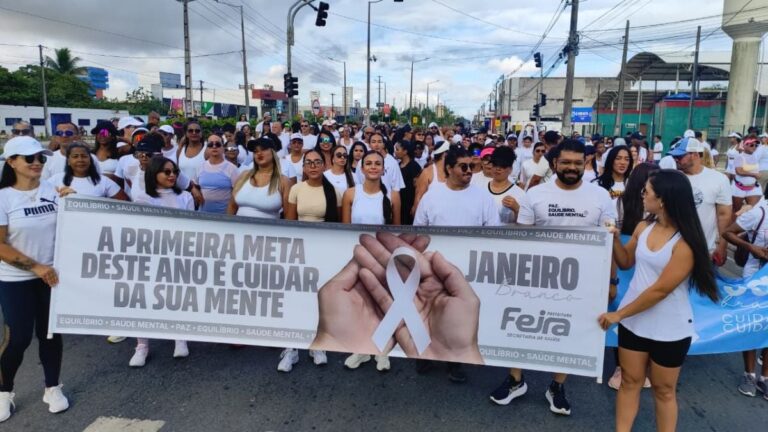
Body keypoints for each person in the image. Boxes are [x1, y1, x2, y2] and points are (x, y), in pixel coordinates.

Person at [491, 139, 617, 416]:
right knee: (520, 326)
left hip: (583, 281)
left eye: (577, 162)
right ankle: (515, 379)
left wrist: (612, 281)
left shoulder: (601, 197)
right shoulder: (534, 194)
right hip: (536, 277)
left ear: (584, 162)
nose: (572, 167)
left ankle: (556, 386)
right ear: (555, 163)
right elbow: (522, 238)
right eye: (566, 162)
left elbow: (609, 244)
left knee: (569, 332)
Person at [599, 169, 719, 432]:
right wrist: (616, 240)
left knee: (664, 390)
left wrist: (619, 314)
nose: (642, 196)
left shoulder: (685, 242)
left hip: (670, 329)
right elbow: (626, 262)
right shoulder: (643, 226)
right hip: (634, 324)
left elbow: (660, 291)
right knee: (630, 381)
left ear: (662, 199)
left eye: (646, 192)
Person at [0, 136, 69, 421]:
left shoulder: (55, 191)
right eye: (29, 159)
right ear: (12, 162)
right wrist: (36, 267)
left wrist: (76, 203)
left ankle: (52, 387)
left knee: (50, 332)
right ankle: (5, 391)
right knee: (18, 338)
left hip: (53, 276)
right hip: (15, 279)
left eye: (40, 157)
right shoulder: (3, 197)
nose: (37, 163)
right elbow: (1, 245)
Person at [340, 150, 401, 372]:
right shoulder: (350, 194)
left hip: (383, 258)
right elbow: (345, 230)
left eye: (378, 163)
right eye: (369, 163)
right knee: (361, 305)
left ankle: (383, 351)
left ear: (384, 168)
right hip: (357, 255)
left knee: (383, 305)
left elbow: (395, 231)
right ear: (361, 168)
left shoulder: (392, 196)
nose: (373, 167)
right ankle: (362, 349)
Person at [129, 157, 194, 367]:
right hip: (151, 254)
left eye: (174, 171)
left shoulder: (185, 197)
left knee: (177, 296)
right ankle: (142, 345)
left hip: (179, 253)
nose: (172, 175)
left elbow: (193, 226)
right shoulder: (142, 197)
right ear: (154, 174)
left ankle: (180, 336)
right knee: (145, 299)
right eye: (166, 172)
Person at [280, 149, 339, 372]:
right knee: (296, 299)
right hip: (300, 248)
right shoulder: (296, 189)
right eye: (309, 163)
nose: (313, 166)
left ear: (324, 166)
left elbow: (339, 227)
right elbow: (290, 220)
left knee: (319, 299)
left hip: (323, 248)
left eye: (317, 162)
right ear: (303, 168)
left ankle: (318, 345)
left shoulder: (335, 192)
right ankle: (291, 349)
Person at [723, 188, 768, 400]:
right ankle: (749, 374)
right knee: (753, 325)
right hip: (756, 278)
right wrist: (751, 248)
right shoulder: (759, 213)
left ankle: (765, 378)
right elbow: (728, 232)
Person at [668, 137, 732, 265]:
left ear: (695, 155)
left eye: (680, 156)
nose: (676, 159)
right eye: (675, 156)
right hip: (672, 250)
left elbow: (724, 215)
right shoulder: (672, 178)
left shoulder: (718, 179)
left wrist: (722, 246)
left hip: (705, 252)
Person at [228, 137, 290, 220]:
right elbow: (232, 206)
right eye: (255, 151)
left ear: (273, 152)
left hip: (268, 231)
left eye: (263, 149)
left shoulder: (283, 181)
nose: (259, 153)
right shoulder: (244, 175)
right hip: (239, 231)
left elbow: (289, 215)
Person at [46, 143, 128, 201]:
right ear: (68, 161)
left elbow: (125, 202)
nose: (80, 160)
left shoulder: (103, 181)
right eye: (75, 156)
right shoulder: (55, 180)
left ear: (90, 160)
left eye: (84, 156)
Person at [195, 134, 240, 214]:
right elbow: (195, 186)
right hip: (203, 216)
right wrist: (195, 191)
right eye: (210, 144)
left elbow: (237, 195)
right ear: (207, 148)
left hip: (224, 217)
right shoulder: (200, 167)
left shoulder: (232, 169)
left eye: (218, 144)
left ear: (223, 148)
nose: (214, 146)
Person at [594, 146, 633, 227]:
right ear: (611, 160)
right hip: (604, 231)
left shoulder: (633, 183)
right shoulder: (597, 184)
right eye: (618, 158)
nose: (622, 162)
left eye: (627, 159)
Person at [485, 146, 525, 224]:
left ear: (510, 169)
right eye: (495, 164)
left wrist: (517, 210)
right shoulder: (480, 189)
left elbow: (524, 226)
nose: (498, 169)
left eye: (503, 166)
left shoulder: (519, 194)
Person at [732, 136, 763, 213]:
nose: (754, 147)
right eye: (751, 145)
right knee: (737, 211)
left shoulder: (756, 156)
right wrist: (754, 175)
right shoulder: (739, 156)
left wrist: (759, 174)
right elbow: (739, 171)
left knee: (753, 210)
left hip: (753, 188)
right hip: (738, 188)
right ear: (745, 145)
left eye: (756, 145)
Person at [394, 140, 422, 225]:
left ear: (405, 151)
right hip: (400, 204)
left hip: (410, 205)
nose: (395, 151)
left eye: (397, 149)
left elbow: (419, 188)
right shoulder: (397, 165)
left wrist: (415, 206)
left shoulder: (414, 166)